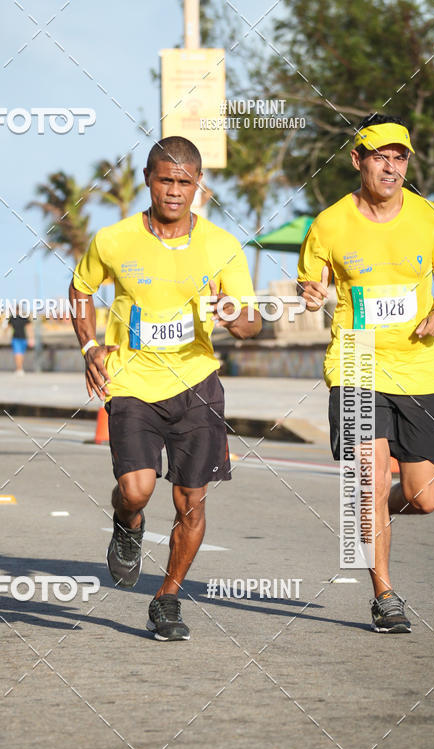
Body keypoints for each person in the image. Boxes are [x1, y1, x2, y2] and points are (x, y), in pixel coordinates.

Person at [69, 136, 261, 641]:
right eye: (165, 180)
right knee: (136, 490)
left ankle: (168, 597)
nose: (175, 191)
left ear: (199, 185)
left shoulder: (221, 245)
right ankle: (127, 522)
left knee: (190, 501)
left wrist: (233, 316)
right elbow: (81, 289)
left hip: (197, 384)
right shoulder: (114, 240)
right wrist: (89, 347)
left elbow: (251, 323)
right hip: (131, 382)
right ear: (148, 180)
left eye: (185, 182)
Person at [298, 113, 434, 634]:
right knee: (369, 481)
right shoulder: (329, 223)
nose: (391, 167)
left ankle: (375, 510)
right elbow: (310, 280)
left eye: (399, 157)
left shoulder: (430, 219)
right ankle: (384, 594)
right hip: (356, 361)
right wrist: (309, 292)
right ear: (357, 160)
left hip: (421, 367)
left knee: (423, 497)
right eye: (380, 157)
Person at [5, 305, 34, 375]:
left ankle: (19, 369)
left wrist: (4, 334)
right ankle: (20, 368)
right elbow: (29, 328)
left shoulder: (12, 318)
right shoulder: (25, 317)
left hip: (16, 338)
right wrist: (31, 338)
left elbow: (7, 328)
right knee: (21, 354)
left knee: (18, 354)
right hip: (23, 338)